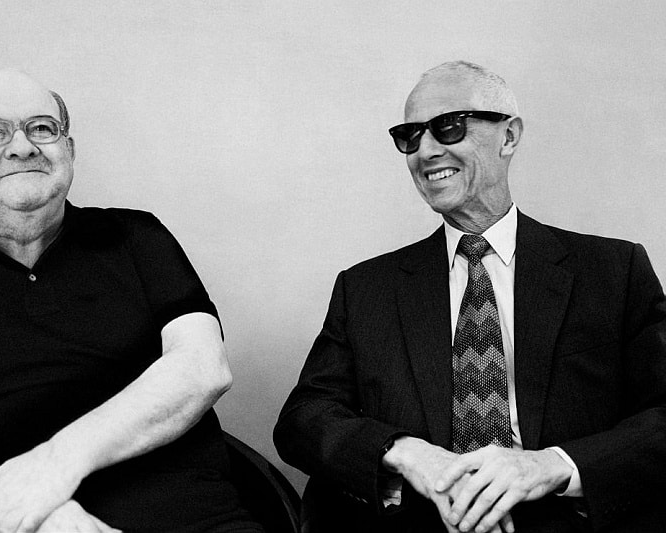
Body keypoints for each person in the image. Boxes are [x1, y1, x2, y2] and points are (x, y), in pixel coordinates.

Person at [273, 60, 666, 533]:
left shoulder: (613, 271)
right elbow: (303, 419)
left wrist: (553, 464)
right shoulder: (366, 289)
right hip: (421, 521)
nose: (426, 151)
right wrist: (407, 453)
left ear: (509, 136)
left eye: (449, 126)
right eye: (410, 135)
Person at [0, 69, 263, 533]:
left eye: (42, 128)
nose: (22, 147)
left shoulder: (137, 238)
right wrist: (16, 509)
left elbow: (202, 368)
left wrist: (56, 464)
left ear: (68, 151)